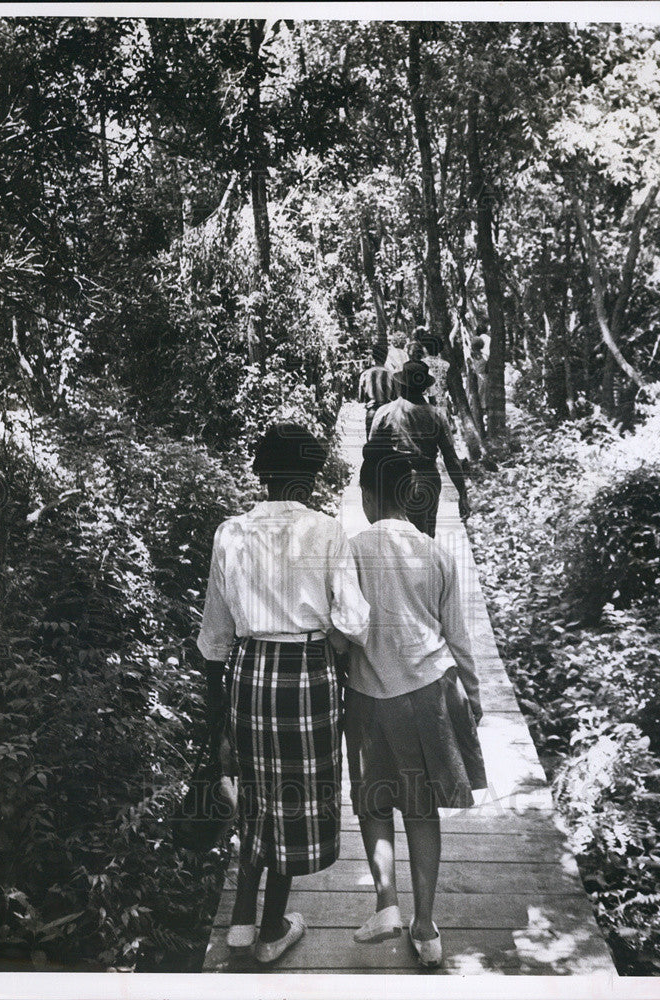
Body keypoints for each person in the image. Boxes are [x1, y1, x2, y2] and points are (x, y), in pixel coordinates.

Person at [197, 422, 370, 965]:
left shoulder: (231, 532)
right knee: (292, 799)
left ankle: (241, 921)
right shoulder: (326, 531)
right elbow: (355, 621)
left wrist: (218, 716)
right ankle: (273, 928)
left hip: (249, 672)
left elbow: (214, 634)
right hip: (307, 673)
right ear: (312, 476)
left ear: (262, 473)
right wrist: (329, 640)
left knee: (254, 792)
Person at [344, 441, 486, 968]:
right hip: (429, 690)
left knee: (374, 802)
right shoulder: (436, 552)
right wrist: (473, 695)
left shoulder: (352, 550)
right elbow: (460, 636)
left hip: (367, 695)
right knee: (422, 810)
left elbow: (343, 626)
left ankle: (387, 902)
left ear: (367, 494)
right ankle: (426, 928)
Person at [370, 360, 469, 538]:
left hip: (394, 480)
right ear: (424, 387)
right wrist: (462, 494)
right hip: (427, 481)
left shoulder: (385, 412)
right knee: (426, 539)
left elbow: (371, 455)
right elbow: (450, 458)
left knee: (395, 539)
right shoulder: (437, 415)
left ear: (401, 384)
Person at [358, 344, 396, 439]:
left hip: (372, 413)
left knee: (371, 447)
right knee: (388, 446)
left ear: (373, 356)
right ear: (386, 356)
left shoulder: (365, 375)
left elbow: (361, 398)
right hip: (388, 415)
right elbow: (395, 397)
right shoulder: (392, 375)